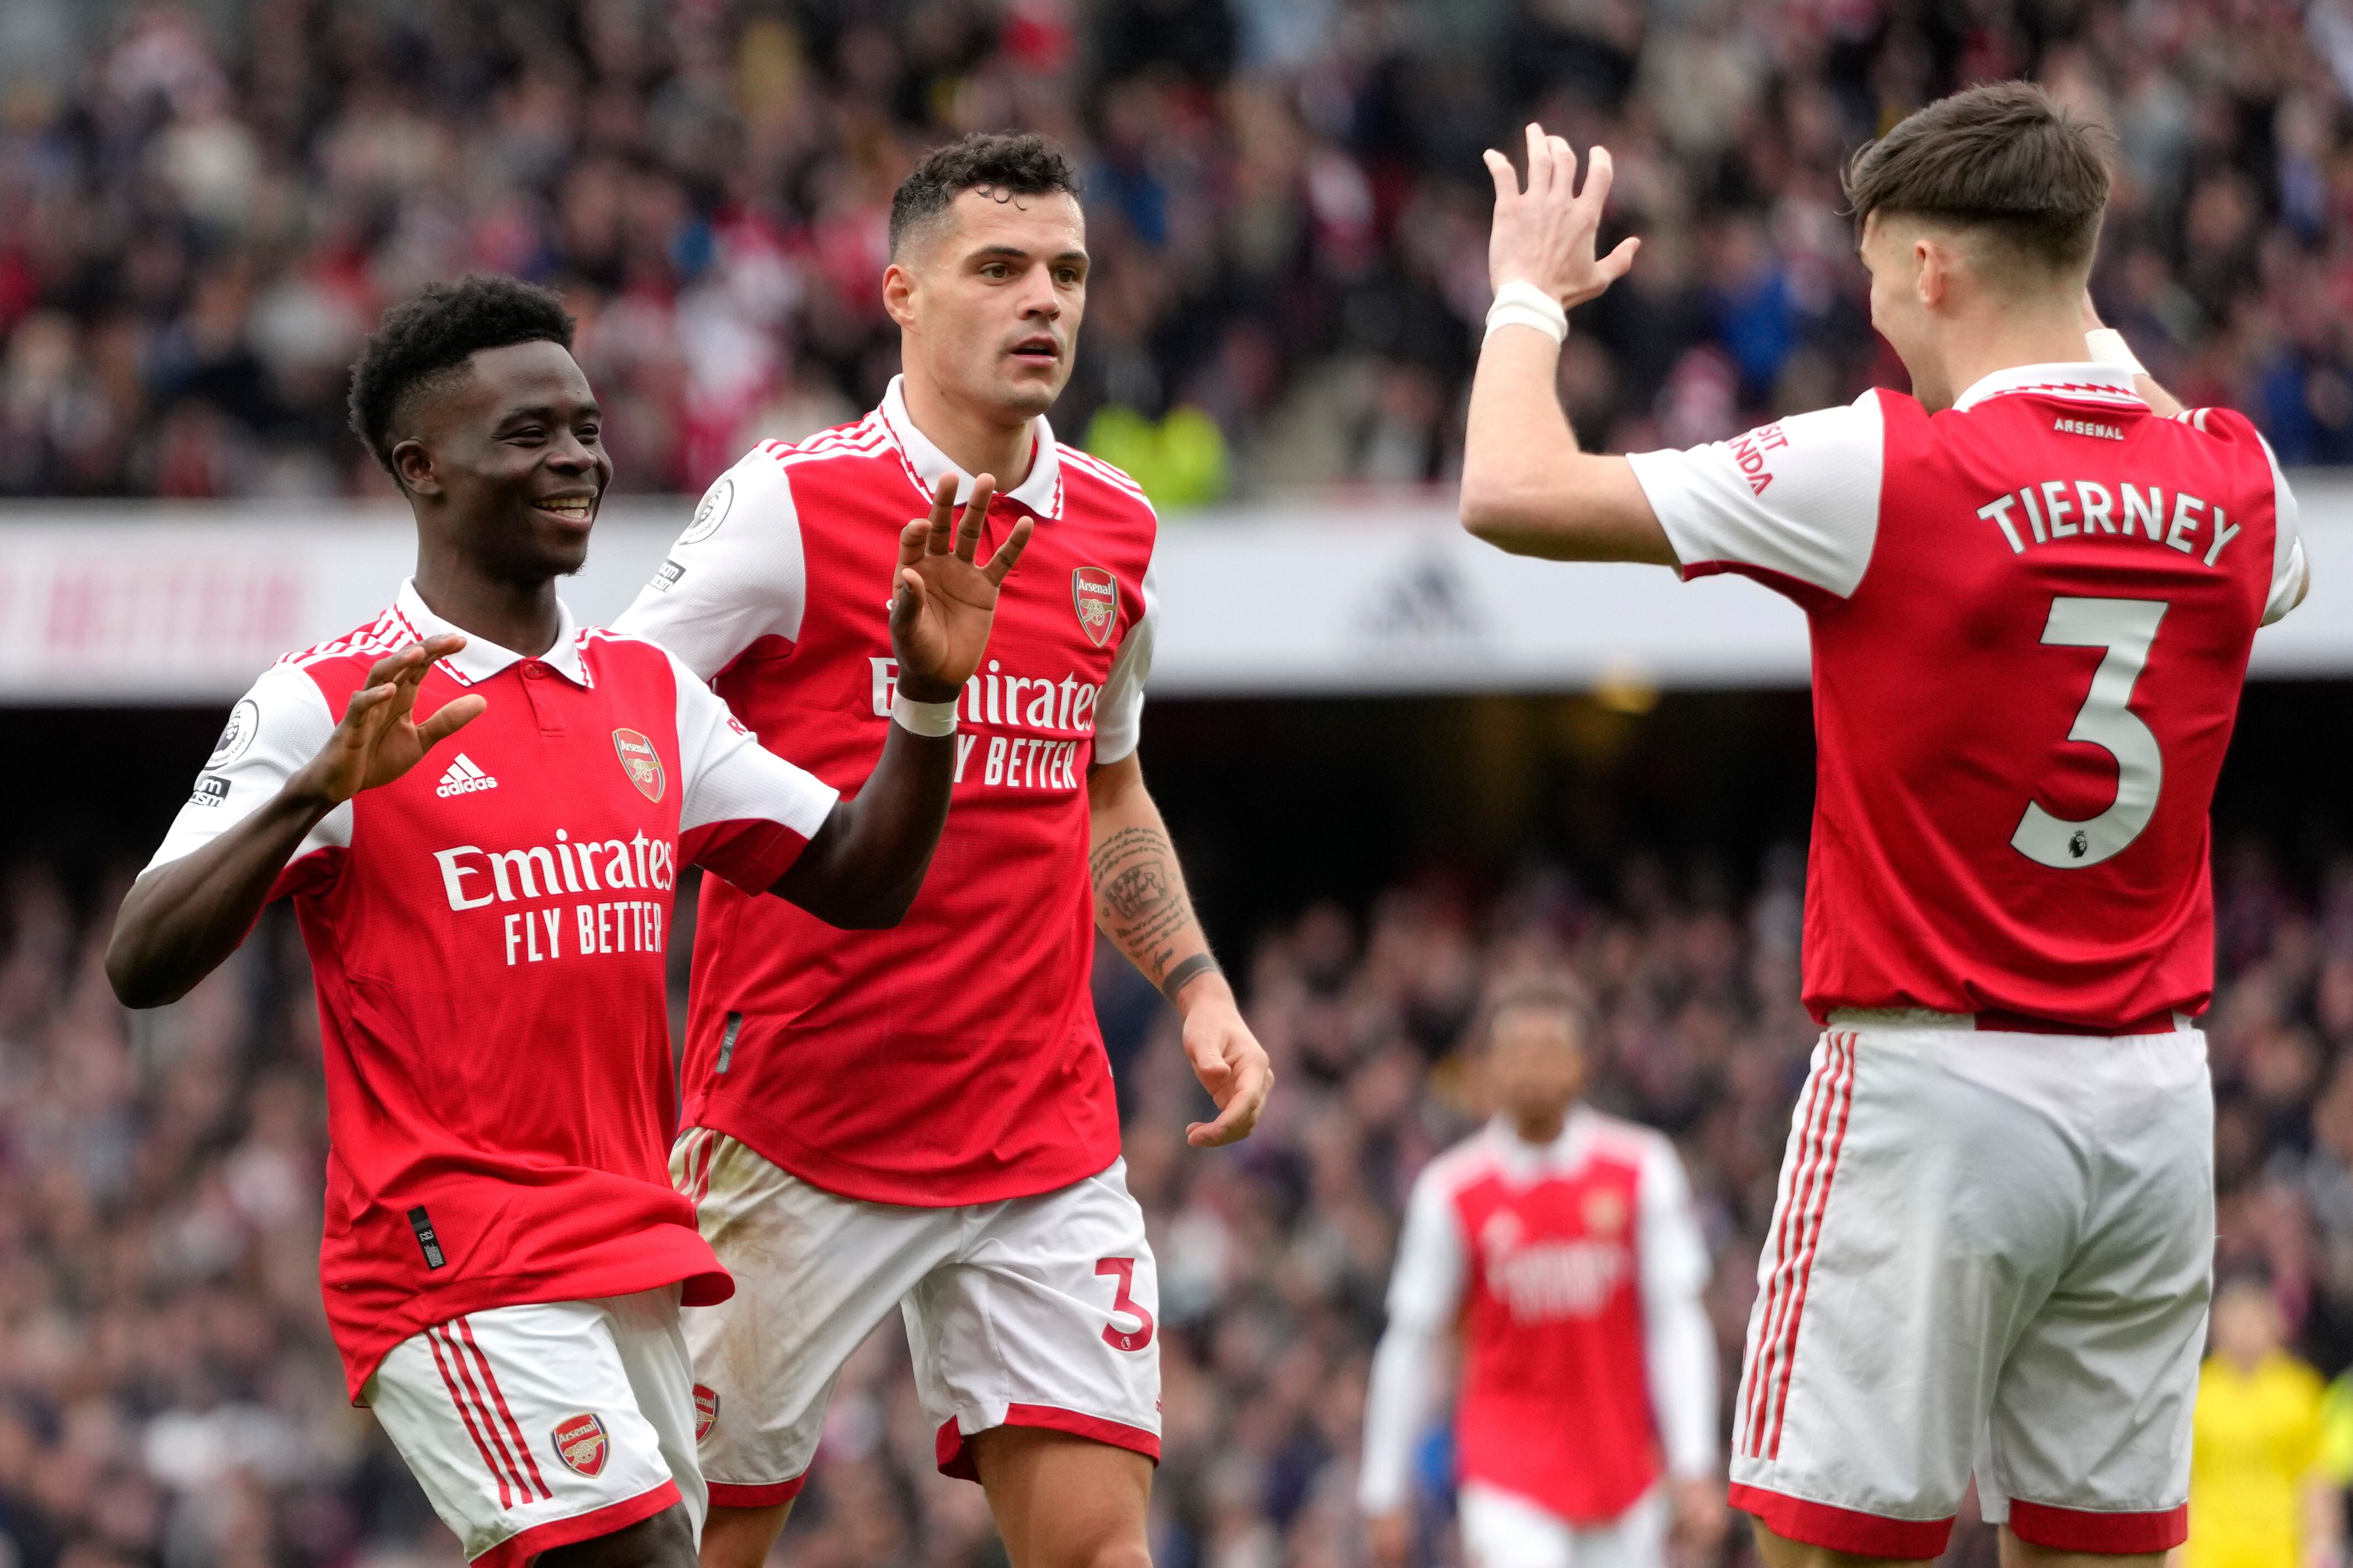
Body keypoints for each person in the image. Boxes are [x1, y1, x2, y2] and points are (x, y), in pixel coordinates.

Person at [1459, 82, 2309, 1567]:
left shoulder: (1886, 464)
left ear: (1926, 265)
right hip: (2153, 1104)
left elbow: (1510, 489)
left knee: (1830, 1548)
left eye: (1871, 272)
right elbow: (2199, 491)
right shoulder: (2238, 479)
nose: (1873, 311)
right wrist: (2087, 321)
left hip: (1933, 1092)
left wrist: (1526, 296)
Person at [104, 276, 1030, 1568]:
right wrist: (314, 796)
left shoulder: (653, 696)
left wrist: (925, 706)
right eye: (528, 433)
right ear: (422, 468)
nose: (576, 458)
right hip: (450, 1260)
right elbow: (141, 960)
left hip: (630, 1249)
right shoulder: (330, 701)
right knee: (636, 1553)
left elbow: (863, 879)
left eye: (586, 428)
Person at [610, 131, 1273, 1568]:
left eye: (1067, 273)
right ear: (901, 292)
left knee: (1101, 1549)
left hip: (1039, 1138)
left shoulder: (1117, 527)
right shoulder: (788, 506)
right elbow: (610, 724)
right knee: (694, 1549)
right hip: (795, 1132)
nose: (1044, 299)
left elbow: (1107, 789)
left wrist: (1198, 986)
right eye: (1000, 268)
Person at [1358, 985, 1724, 1568]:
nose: (1533, 1066)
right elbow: (1412, 1340)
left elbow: (1675, 1320)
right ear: (1487, 1067)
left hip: (1622, 1472)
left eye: (1549, 1049)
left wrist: (1693, 1460)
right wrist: (1383, 1488)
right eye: (1517, 1051)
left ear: (1582, 1062)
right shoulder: (1452, 1190)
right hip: (1507, 1475)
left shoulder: (1640, 1167)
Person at [2184, 1275, 2341, 1568]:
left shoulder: (2299, 1390)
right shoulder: (2196, 1392)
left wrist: (2323, 1547)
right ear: (2216, 1325)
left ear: (2275, 1324)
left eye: (2254, 1320)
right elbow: (2184, 1483)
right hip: (2209, 1552)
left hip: (2282, 1553)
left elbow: (2314, 1477)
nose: (2245, 1331)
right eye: (2235, 1320)